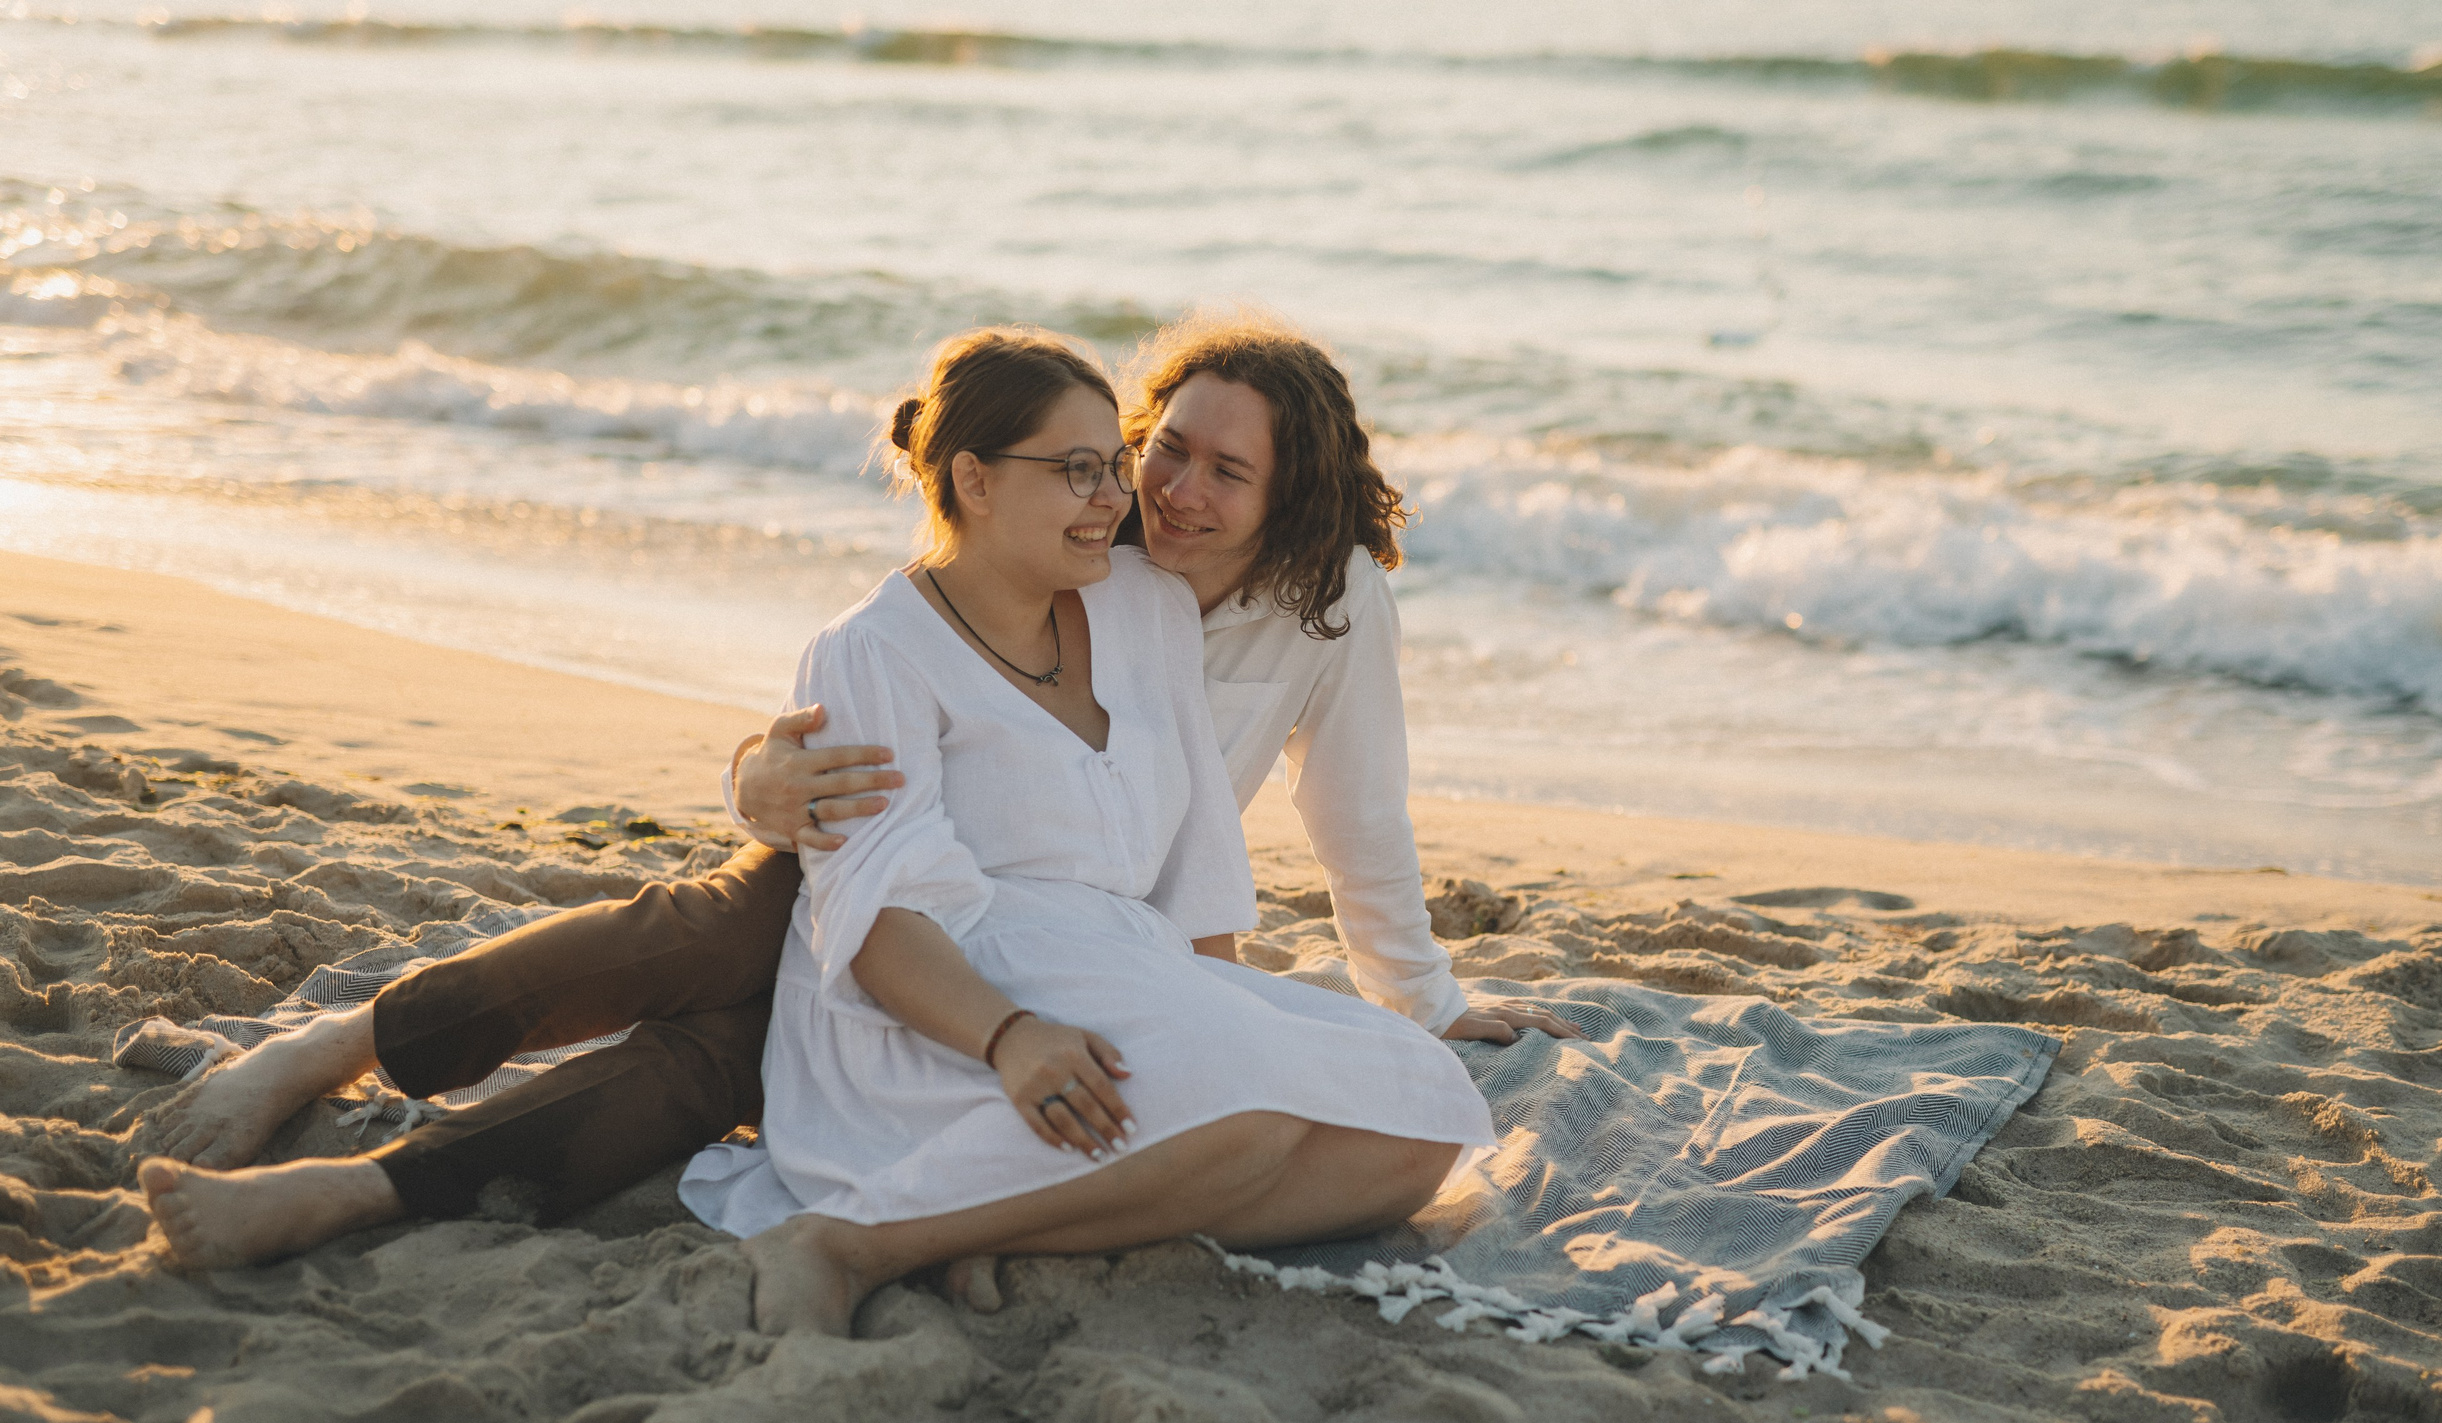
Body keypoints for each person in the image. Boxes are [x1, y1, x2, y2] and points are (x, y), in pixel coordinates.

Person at [137, 311, 1572, 1274]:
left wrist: (1418, 997)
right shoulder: (1089, 528)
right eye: (1165, 451)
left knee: (724, 1061)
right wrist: (757, 779)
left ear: (1290, 502)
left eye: (1224, 474)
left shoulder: (1327, 607)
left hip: (1074, 924)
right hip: (907, 858)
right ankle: (346, 1045)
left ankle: (369, 1193)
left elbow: (1351, 817)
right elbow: (876, 672)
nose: (1170, 490)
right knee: (715, 934)